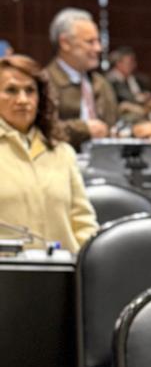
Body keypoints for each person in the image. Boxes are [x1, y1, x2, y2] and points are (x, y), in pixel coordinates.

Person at [0, 53, 98, 252]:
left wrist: (85, 260)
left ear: (41, 97)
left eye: (30, 90)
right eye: (11, 90)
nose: (22, 100)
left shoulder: (62, 152)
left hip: (62, 267)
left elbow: (83, 222)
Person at [42, 8, 118, 149]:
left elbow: (115, 122)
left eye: (98, 41)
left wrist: (138, 126)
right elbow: (41, 130)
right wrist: (83, 129)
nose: (98, 48)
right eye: (90, 42)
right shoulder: (44, 82)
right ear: (65, 43)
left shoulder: (101, 83)